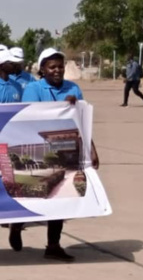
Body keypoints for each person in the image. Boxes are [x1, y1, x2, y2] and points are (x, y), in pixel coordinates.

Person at [13, 48, 96, 262]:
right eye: (52, 67)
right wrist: (60, 107)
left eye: (60, 66)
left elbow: (82, 121)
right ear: (43, 69)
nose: (57, 70)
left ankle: (53, 245)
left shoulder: (73, 88)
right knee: (37, 194)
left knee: (61, 197)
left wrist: (92, 149)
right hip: (39, 150)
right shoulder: (33, 88)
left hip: (67, 149)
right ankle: (17, 223)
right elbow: (30, 117)